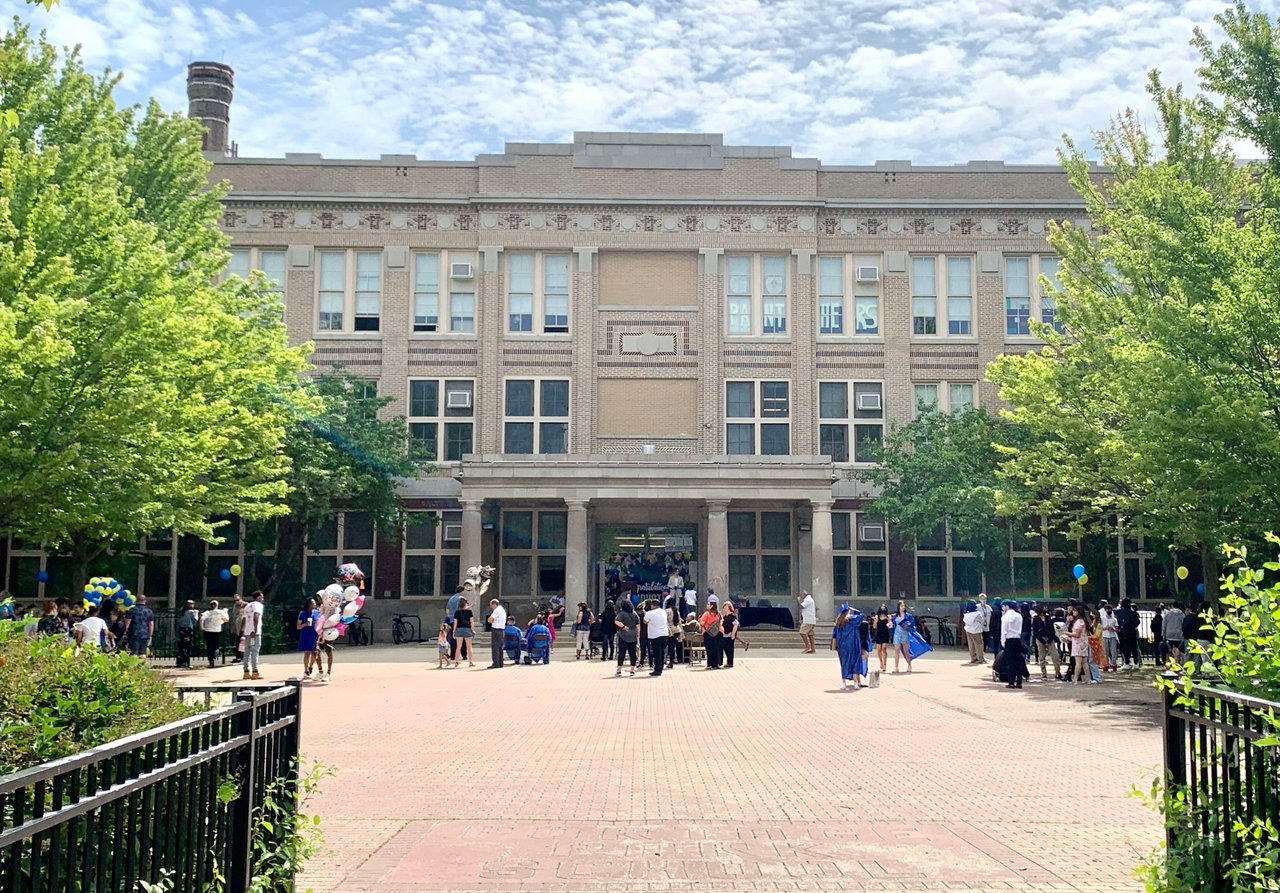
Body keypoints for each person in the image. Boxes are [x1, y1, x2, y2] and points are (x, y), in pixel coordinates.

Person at [832, 603, 871, 690]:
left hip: (842, 646)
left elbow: (834, 635)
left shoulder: (838, 622)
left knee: (844, 663)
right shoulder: (852, 620)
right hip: (853, 644)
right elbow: (862, 615)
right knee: (855, 662)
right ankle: (856, 683)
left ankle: (843, 683)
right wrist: (855, 610)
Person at [999, 601, 1028, 689]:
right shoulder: (1018, 615)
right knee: (1018, 660)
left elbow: (1004, 631)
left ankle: (1011, 682)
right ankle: (1019, 682)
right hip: (1017, 639)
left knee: (1010, 662)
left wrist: (1003, 642)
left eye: (1003, 607)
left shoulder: (1005, 617)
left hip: (1009, 640)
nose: (1003, 609)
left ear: (1007, 606)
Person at [1032, 604, 1062, 681]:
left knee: (1055, 656)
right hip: (1040, 639)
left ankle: (1058, 672)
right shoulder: (1035, 619)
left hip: (1050, 638)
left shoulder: (1049, 618)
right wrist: (1042, 640)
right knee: (1042, 657)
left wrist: (1049, 639)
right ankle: (1044, 673)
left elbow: (1052, 630)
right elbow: (1035, 633)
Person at [642, 598, 669, 676]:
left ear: (652, 605)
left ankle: (657, 670)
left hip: (655, 635)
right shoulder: (663, 611)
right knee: (662, 652)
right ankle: (661, 668)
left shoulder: (650, 613)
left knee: (656, 653)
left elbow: (645, 621)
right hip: (664, 634)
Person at [200, 599, 230, 669]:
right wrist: (226, 612)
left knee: (209, 645)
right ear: (217, 605)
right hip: (217, 630)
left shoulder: (208, 612)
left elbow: (202, 619)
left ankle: (211, 660)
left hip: (208, 630)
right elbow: (227, 619)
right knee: (215, 645)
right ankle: (216, 652)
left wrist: (202, 627)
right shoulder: (220, 612)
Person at [123, 594, 155, 658]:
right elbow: (151, 624)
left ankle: (133, 666)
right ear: (145, 601)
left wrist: (125, 631)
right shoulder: (149, 611)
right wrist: (150, 633)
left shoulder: (132, 610)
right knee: (143, 652)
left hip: (134, 632)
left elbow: (128, 622)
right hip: (145, 633)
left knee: (133, 652)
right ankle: (141, 665)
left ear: (136, 601)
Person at [296, 598, 321, 679]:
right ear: (309, 604)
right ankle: (306, 670)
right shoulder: (302, 613)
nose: (315, 604)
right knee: (307, 653)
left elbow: (320, 623)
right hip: (305, 634)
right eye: (313, 603)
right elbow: (298, 626)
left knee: (315, 652)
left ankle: (310, 666)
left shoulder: (317, 612)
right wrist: (305, 624)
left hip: (314, 635)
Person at [614, 600, 639, 676]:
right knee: (632, 653)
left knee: (622, 652)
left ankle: (619, 670)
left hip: (623, 635)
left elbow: (616, 621)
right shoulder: (635, 615)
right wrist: (638, 635)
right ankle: (632, 669)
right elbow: (638, 626)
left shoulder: (621, 614)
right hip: (633, 635)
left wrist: (623, 626)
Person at [890, 600, 915, 673]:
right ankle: (896, 666)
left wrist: (908, 625)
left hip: (905, 633)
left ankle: (909, 665)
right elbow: (892, 623)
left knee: (906, 650)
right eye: (901, 606)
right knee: (897, 650)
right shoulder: (895, 616)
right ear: (898, 607)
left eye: (904, 606)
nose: (903, 607)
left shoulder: (908, 615)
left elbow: (912, 624)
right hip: (897, 634)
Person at [1116, 598, 1141, 669]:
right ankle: (1136, 662)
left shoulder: (1121, 612)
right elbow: (1137, 622)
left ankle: (1127, 662)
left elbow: (1119, 621)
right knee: (1134, 647)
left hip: (1124, 631)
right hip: (1132, 630)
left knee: (1126, 647)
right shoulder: (1133, 612)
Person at [700, 598, 724, 669]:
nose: (707, 605)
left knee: (709, 649)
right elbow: (721, 621)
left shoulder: (706, 614)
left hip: (708, 633)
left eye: (708, 604)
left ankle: (710, 664)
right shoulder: (718, 614)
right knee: (717, 649)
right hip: (718, 632)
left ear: (711, 606)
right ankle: (717, 664)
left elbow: (702, 623)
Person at [452, 596, 475, 668]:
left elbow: (455, 622)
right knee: (469, 647)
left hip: (459, 629)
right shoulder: (469, 612)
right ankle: (470, 662)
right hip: (467, 629)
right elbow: (472, 622)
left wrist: (454, 631)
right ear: (466, 603)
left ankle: (456, 661)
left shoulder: (457, 612)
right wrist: (473, 630)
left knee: (458, 646)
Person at [1068, 605, 1089, 683]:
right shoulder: (1084, 621)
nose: (1073, 612)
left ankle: (1075, 679)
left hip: (1078, 644)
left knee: (1078, 662)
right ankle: (1088, 679)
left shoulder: (1078, 622)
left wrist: (1066, 633)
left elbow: (1077, 634)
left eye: (1075, 611)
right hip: (1084, 642)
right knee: (1084, 662)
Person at [176, 600, 199, 668]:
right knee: (188, 646)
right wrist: (196, 613)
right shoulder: (191, 612)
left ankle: (179, 661)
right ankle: (186, 662)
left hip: (181, 630)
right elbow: (195, 620)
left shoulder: (181, 611)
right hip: (188, 630)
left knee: (181, 646)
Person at [445, 585, 464, 661]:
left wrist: (450, 616)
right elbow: (463, 608)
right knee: (462, 637)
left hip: (452, 620)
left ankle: (452, 655)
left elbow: (447, 610)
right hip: (460, 620)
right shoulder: (461, 599)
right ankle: (464, 654)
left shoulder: (451, 598)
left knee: (453, 638)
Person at [487, 598, 508, 668]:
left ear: (494, 604)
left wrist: (490, 620)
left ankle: (496, 663)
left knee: (495, 647)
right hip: (501, 630)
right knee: (500, 648)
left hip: (496, 629)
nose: (490, 607)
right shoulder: (502, 610)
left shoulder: (497, 610)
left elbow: (490, 620)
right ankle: (500, 662)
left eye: (491, 605)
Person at [1100, 603, 1120, 671]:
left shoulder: (1114, 619)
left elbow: (1117, 629)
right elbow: (1099, 628)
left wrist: (1113, 629)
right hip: (1105, 636)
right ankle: (1106, 664)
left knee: (1113, 651)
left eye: (1110, 609)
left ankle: (1113, 664)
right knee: (1105, 651)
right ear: (1105, 610)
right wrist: (1106, 628)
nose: (1109, 610)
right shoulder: (1102, 619)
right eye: (1107, 609)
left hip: (1112, 636)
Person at [664, 596, 683, 668]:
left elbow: (666, 622)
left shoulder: (667, 611)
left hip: (670, 630)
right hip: (677, 630)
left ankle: (668, 661)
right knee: (673, 647)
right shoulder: (676, 611)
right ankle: (672, 660)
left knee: (668, 647)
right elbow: (679, 622)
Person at [720, 600, 740, 669]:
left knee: (730, 649)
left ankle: (730, 663)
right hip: (724, 634)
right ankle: (727, 661)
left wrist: (733, 634)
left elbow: (736, 624)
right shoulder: (724, 616)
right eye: (724, 607)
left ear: (729, 607)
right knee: (725, 648)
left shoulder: (732, 616)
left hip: (730, 634)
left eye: (726, 607)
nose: (725, 608)